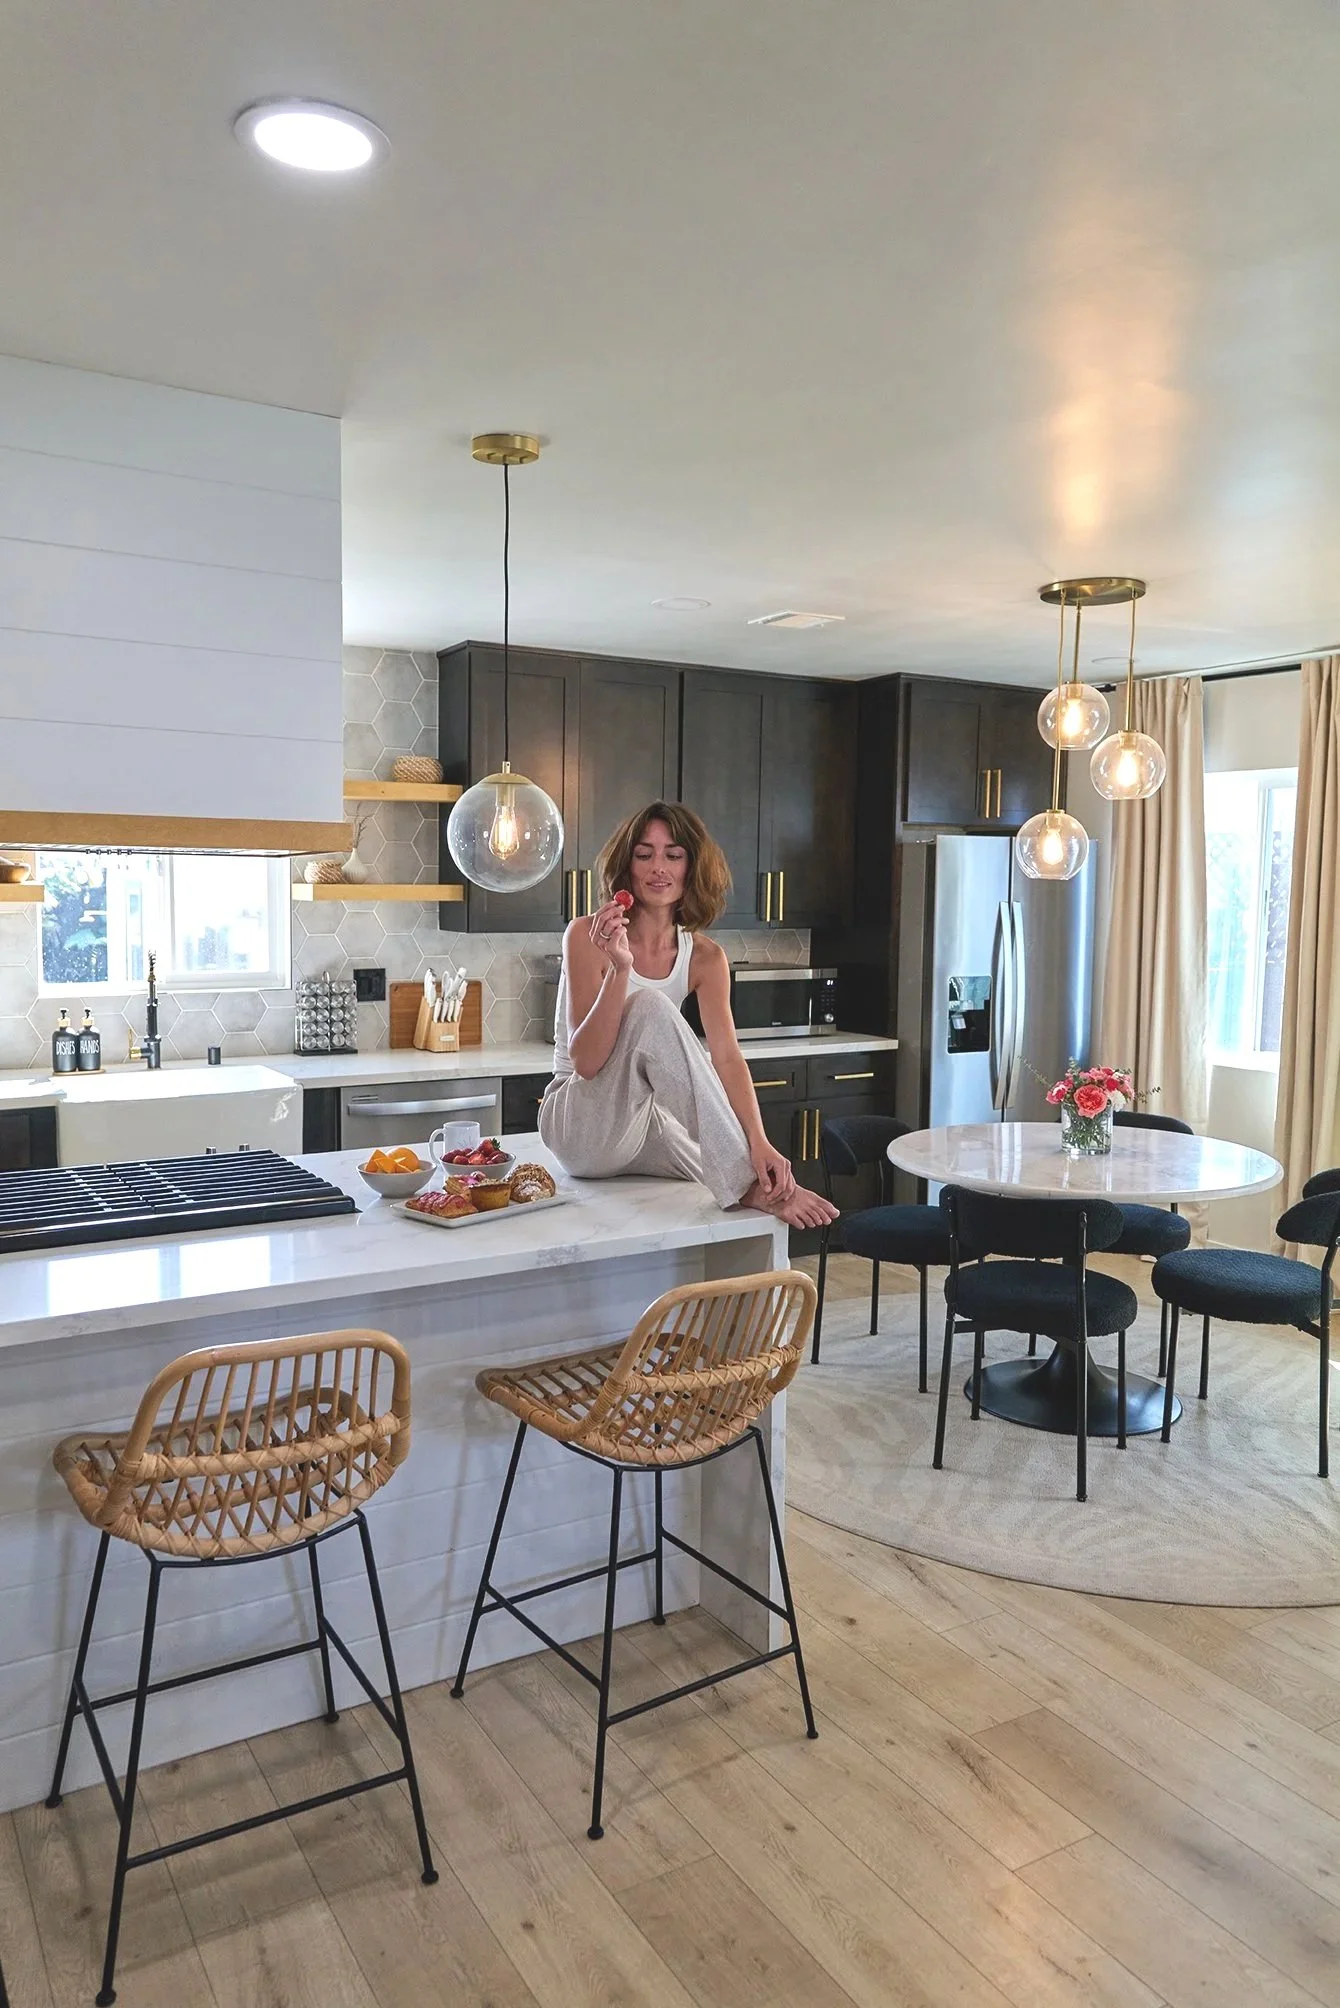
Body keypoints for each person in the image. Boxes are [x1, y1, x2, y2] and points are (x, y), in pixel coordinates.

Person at [539, 801, 839, 1231]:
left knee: (723, 1166)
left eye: (673, 855)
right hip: (578, 1125)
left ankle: (771, 1190)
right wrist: (621, 968)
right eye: (644, 855)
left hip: (640, 1130)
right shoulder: (587, 937)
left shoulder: (706, 958)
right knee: (649, 1006)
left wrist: (761, 1142)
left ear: (691, 868)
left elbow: (728, 1060)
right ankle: (753, 1182)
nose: (658, 867)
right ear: (627, 867)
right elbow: (585, 1063)